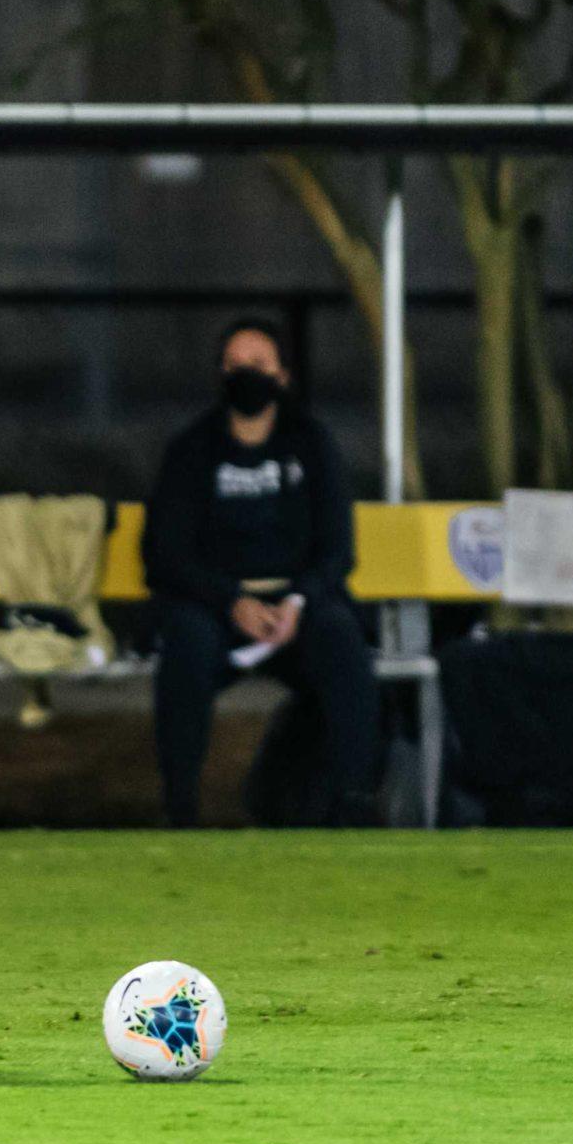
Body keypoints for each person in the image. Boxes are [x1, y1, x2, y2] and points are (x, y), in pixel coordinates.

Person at [142, 318, 378, 828]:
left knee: (342, 639)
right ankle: (181, 810)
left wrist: (297, 601)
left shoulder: (312, 444)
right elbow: (165, 554)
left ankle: (356, 804)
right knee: (185, 644)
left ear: (283, 376)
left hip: (298, 609)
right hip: (215, 608)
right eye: (235, 366)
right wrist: (231, 601)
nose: (246, 375)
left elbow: (338, 550)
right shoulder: (191, 451)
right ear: (219, 374)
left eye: (259, 365)